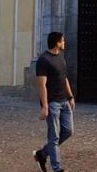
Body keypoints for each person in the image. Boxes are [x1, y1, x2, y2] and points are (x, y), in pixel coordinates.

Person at [32, 31, 75, 172]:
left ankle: (42, 154)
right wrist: (45, 106)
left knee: (68, 131)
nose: (64, 42)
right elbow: (41, 85)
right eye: (62, 40)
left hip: (64, 101)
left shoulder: (61, 57)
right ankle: (57, 169)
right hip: (52, 103)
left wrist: (70, 96)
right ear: (57, 43)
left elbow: (64, 78)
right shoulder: (43, 60)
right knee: (54, 137)